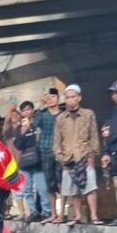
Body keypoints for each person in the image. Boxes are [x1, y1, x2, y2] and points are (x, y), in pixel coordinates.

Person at [53, 84, 102, 225]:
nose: (70, 100)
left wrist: (93, 154)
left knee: (90, 187)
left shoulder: (88, 114)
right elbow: (57, 141)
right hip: (68, 157)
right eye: (67, 97)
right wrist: (60, 158)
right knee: (72, 190)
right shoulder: (61, 118)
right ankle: (78, 216)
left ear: (79, 98)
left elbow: (94, 135)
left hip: (84, 155)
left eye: (73, 97)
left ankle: (94, 216)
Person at [14, 101, 51, 222]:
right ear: (21, 113)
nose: (26, 112)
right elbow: (18, 146)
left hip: (38, 160)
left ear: (33, 111)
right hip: (25, 162)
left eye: (28, 109)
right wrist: (23, 132)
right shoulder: (19, 128)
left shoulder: (37, 124)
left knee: (42, 188)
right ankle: (33, 211)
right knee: (27, 189)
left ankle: (46, 211)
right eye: (24, 110)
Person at [33, 89, 63, 221]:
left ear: (58, 98)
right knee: (49, 183)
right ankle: (53, 214)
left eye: (53, 97)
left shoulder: (64, 114)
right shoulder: (43, 114)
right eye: (48, 97)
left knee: (61, 182)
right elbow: (34, 125)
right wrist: (41, 105)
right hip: (45, 151)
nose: (51, 99)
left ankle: (62, 213)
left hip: (61, 152)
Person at [101, 80, 117, 224]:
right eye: (113, 93)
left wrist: (110, 134)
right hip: (114, 152)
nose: (114, 96)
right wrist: (105, 152)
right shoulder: (113, 111)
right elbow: (106, 132)